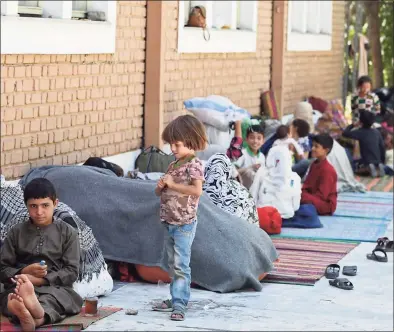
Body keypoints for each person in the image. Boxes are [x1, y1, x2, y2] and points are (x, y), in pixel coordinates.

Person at [0, 178, 83, 331]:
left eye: (45, 205)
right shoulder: (16, 232)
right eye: (33, 206)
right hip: (19, 286)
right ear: (26, 206)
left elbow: (72, 272)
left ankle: (33, 315)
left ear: (55, 204)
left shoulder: (67, 233)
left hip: (55, 288)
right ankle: (29, 312)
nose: (39, 212)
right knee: (10, 298)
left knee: (56, 299)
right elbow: (3, 269)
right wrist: (24, 273)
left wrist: (41, 280)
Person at [152, 114, 207, 321]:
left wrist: (173, 184)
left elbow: (197, 191)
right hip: (169, 221)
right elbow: (160, 194)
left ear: (191, 140)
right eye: (170, 144)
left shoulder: (194, 164)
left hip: (184, 223)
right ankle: (175, 297)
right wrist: (159, 187)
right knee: (171, 263)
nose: (172, 149)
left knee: (181, 265)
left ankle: (180, 303)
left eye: (176, 144)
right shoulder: (174, 164)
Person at [301, 134, 337, 215]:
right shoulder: (314, 164)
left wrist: (304, 197)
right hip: (312, 198)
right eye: (313, 145)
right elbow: (307, 185)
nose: (312, 149)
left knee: (299, 197)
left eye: (316, 146)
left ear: (326, 150)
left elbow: (322, 196)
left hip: (325, 205)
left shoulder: (328, 170)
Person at [343, 111, 386, 177]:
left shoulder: (360, 132)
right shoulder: (376, 132)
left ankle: (368, 168)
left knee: (355, 167)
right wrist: (382, 160)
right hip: (378, 159)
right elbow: (382, 147)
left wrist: (353, 125)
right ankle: (378, 165)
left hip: (366, 161)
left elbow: (345, 133)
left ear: (360, 122)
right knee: (373, 160)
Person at [226, 121, 266, 189]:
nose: (255, 141)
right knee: (250, 173)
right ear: (246, 139)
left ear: (263, 141)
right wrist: (249, 168)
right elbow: (233, 171)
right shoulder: (242, 154)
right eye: (252, 138)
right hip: (242, 187)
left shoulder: (262, 156)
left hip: (256, 189)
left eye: (259, 138)